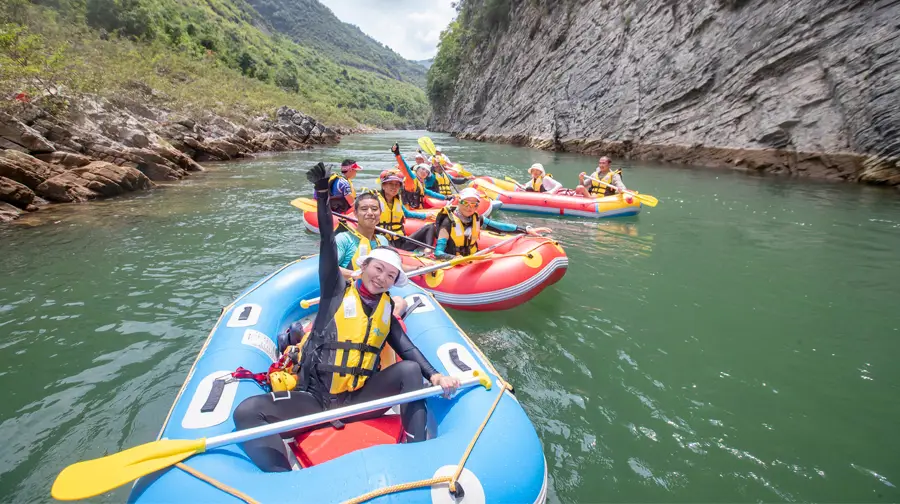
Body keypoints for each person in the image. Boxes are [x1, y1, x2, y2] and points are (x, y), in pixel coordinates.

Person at [233, 162, 460, 473]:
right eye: (377, 269)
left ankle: (418, 456)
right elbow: (327, 241)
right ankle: (283, 481)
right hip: (315, 401)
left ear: (394, 282)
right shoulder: (334, 291)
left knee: (408, 369)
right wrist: (323, 194)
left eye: (390, 275)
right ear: (363, 267)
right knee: (247, 412)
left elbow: (407, 349)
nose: (382, 278)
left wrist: (435, 375)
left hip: (358, 400)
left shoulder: (384, 310)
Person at [430, 188, 551, 259]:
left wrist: (527, 229)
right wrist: (453, 258)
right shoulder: (448, 222)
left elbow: (500, 226)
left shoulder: (477, 219)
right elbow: (438, 252)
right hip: (454, 262)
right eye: (466, 203)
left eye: (474, 204)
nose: (470, 207)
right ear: (459, 203)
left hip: (472, 257)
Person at [377, 170, 430, 251]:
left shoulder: (397, 200)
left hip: (400, 241)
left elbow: (407, 214)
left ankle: (428, 251)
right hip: (383, 242)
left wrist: (425, 216)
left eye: (397, 184)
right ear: (383, 186)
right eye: (390, 184)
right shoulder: (375, 201)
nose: (394, 187)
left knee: (430, 227)